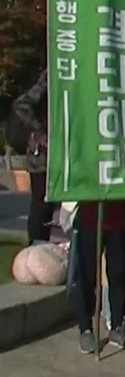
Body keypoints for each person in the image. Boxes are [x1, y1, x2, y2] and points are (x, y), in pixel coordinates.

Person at [71, 201, 125, 353]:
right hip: (90, 220)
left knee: (118, 274)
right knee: (87, 275)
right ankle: (85, 330)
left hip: (118, 221)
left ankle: (117, 326)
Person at [11, 70, 57, 246]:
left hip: (65, 149)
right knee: (42, 203)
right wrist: (40, 130)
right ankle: (37, 247)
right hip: (43, 152)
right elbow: (22, 105)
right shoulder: (51, 75)